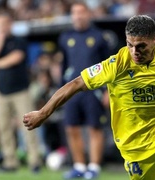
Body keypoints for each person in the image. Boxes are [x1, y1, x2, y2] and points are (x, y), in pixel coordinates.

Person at [23, 15, 155, 180]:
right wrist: (43, 113)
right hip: (135, 141)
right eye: (130, 44)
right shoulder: (116, 64)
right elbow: (76, 83)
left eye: (141, 46)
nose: (134, 51)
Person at [0, 11, 41, 172]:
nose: (1, 27)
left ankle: (34, 161)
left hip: (21, 91)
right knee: (3, 128)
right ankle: (10, 162)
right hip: (1, 92)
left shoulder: (19, 40)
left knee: (29, 126)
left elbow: (17, 57)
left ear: (10, 24)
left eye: (4, 24)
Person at [58, 2, 110, 179]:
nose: (78, 16)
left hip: (93, 90)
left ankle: (94, 167)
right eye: (74, 13)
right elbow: (64, 66)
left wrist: (108, 91)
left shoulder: (99, 37)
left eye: (81, 12)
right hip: (72, 91)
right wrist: (60, 91)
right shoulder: (65, 37)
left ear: (88, 14)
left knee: (94, 128)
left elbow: (110, 67)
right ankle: (79, 166)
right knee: (71, 128)